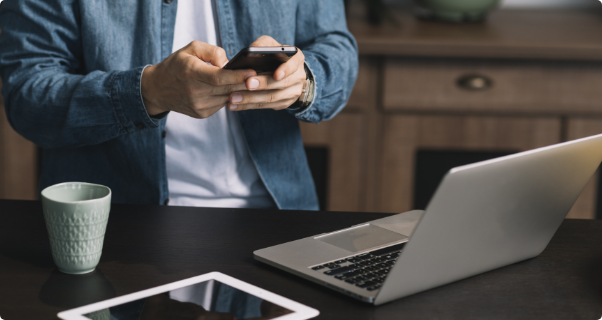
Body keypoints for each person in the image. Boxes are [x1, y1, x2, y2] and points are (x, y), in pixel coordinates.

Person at [0, 0, 358, 210]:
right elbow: (28, 94)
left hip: (275, 217)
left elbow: (335, 46)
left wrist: (304, 81)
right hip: (116, 230)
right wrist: (146, 92)